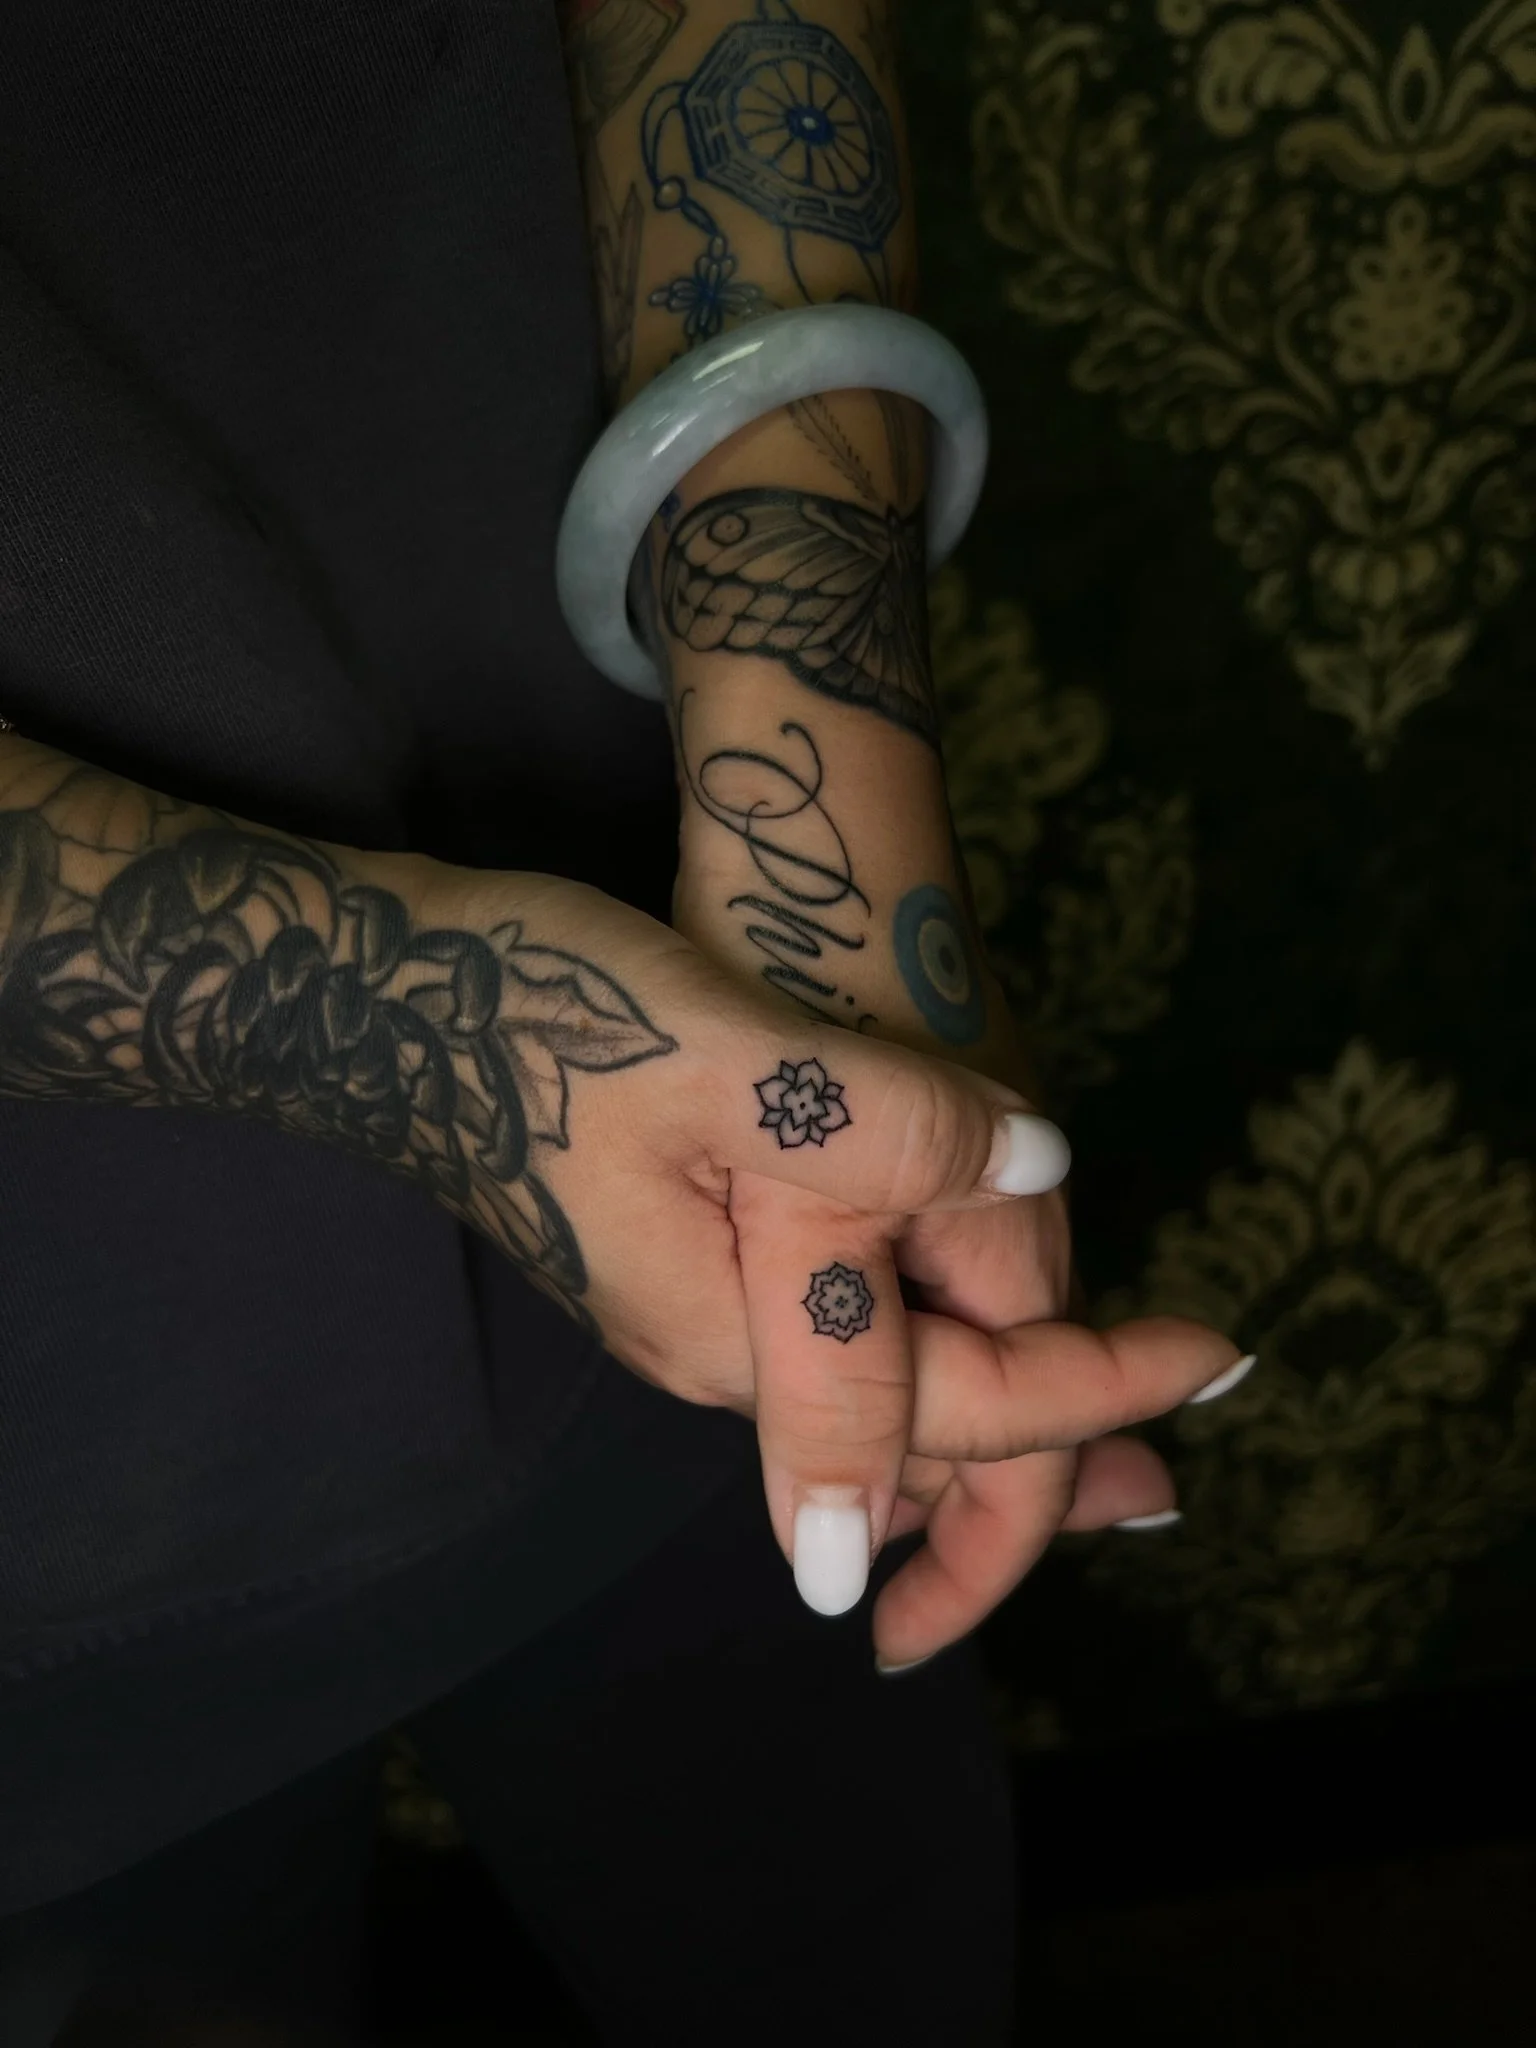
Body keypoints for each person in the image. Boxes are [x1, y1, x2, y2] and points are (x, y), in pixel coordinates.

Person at [0, 3, 1246, 2041]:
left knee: (859, 1946)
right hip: (67, 1463)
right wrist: (442, 1026)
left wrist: (840, 805)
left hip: (713, 1149)